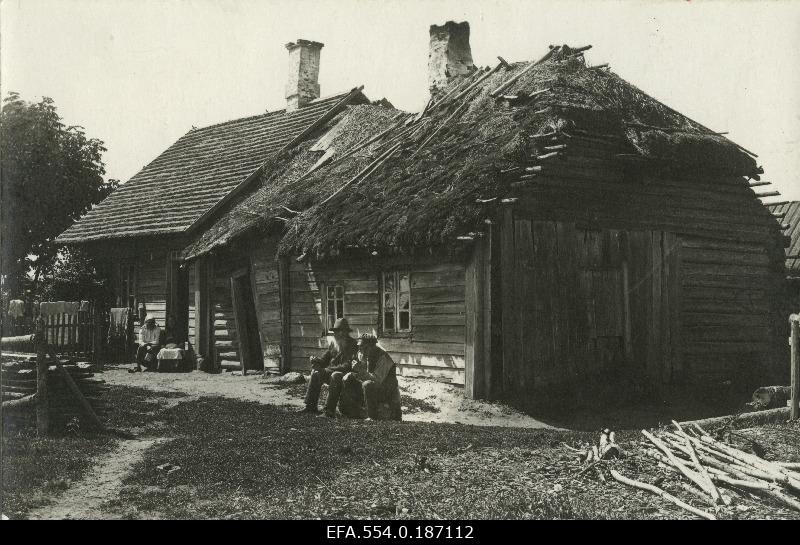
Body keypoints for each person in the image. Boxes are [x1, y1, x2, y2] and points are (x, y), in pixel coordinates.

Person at [301, 317, 358, 417]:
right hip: (330, 372)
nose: (334, 334)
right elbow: (325, 359)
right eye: (334, 331)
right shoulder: (334, 343)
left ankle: (329, 411)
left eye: (337, 331)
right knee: (315, 373)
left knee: (335, 375)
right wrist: (316, 360)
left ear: (343, 332)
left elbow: (347, 365)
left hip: (346, 376)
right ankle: (310, 406)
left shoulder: (353, 344)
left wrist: (326, 370)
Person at [354, 334, 402, 421]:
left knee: (367, 384)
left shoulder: (383, 357)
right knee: (349, 378)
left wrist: (361, 371)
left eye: (365, 347)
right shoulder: (361, 354)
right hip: (373, 388)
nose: (361, 350)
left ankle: (372, 416)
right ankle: (352, 412)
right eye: (360, 347)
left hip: (387, 391)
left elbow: (377, 380)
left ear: (373, 346)